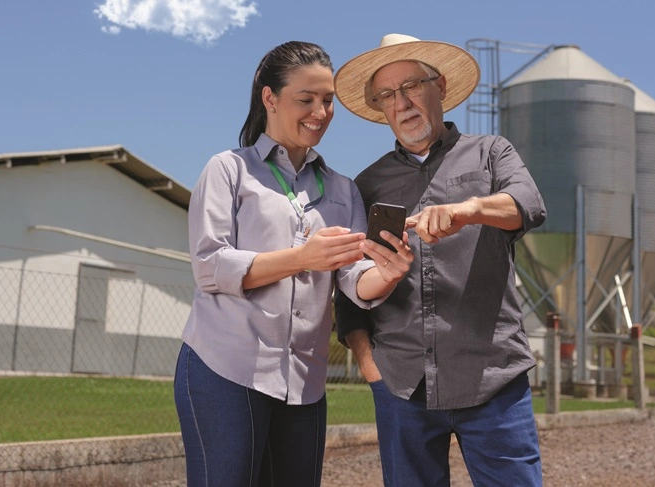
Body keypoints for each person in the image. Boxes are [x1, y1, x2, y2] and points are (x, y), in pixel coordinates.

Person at [174, 40, 413, 487]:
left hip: (305, 381)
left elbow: (352, 278)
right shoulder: (228, 170)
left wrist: (387, 274)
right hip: (225, 367)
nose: (319, 113)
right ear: (270, 98)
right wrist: (301, 258)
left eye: (327, 101)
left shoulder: (343, 190)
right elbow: (210, 266)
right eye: (306, 99)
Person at [333, 34, 547, 486]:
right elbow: (349, 288)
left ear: (441, 85)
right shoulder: (366, 185)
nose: (402, 102)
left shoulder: (492, 152)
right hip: (402, 387)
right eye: (388, 95)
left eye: (411, 85)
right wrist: (368, 363)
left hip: (492, 378)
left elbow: (527, 204)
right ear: (379, 107)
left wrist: (468, 210)